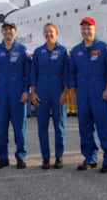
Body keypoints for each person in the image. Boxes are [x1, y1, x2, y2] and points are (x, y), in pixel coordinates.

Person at [69, 16, 107, 174]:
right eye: (83, 28)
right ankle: (90, 158)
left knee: (104, 126)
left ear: (95, 29)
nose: (86, 30)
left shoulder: (104, 48)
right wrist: (74, 94)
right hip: (82, 93)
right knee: (85, 127)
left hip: (99, 92)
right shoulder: (76, 51)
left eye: (88, 27)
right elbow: (72, 74)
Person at [0, 21, 31, 170]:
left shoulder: (22, 50)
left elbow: (28, 73)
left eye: (10, 29)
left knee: (20, 128)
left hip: (18, 93)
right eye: (5, 29)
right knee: (1, 128)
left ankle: (21, 157)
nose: (8, 32)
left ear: (15, 32)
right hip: (0, 93)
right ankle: (3, 158)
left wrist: (26, 91)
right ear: (2, 32)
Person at [30, 23, 69, 170]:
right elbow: (33, 74)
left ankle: (59, 157)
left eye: (51, 32)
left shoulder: (63, 51)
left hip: (58, 92)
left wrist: (65, 93)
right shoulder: (38, 52)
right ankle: (45, 158)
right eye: (46, 32)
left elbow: (67, 74)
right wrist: (33, 93)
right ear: (43, 34)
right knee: (42, 127)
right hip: (42, 93)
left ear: (56, 33)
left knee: (59, 126)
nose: (48, 34)